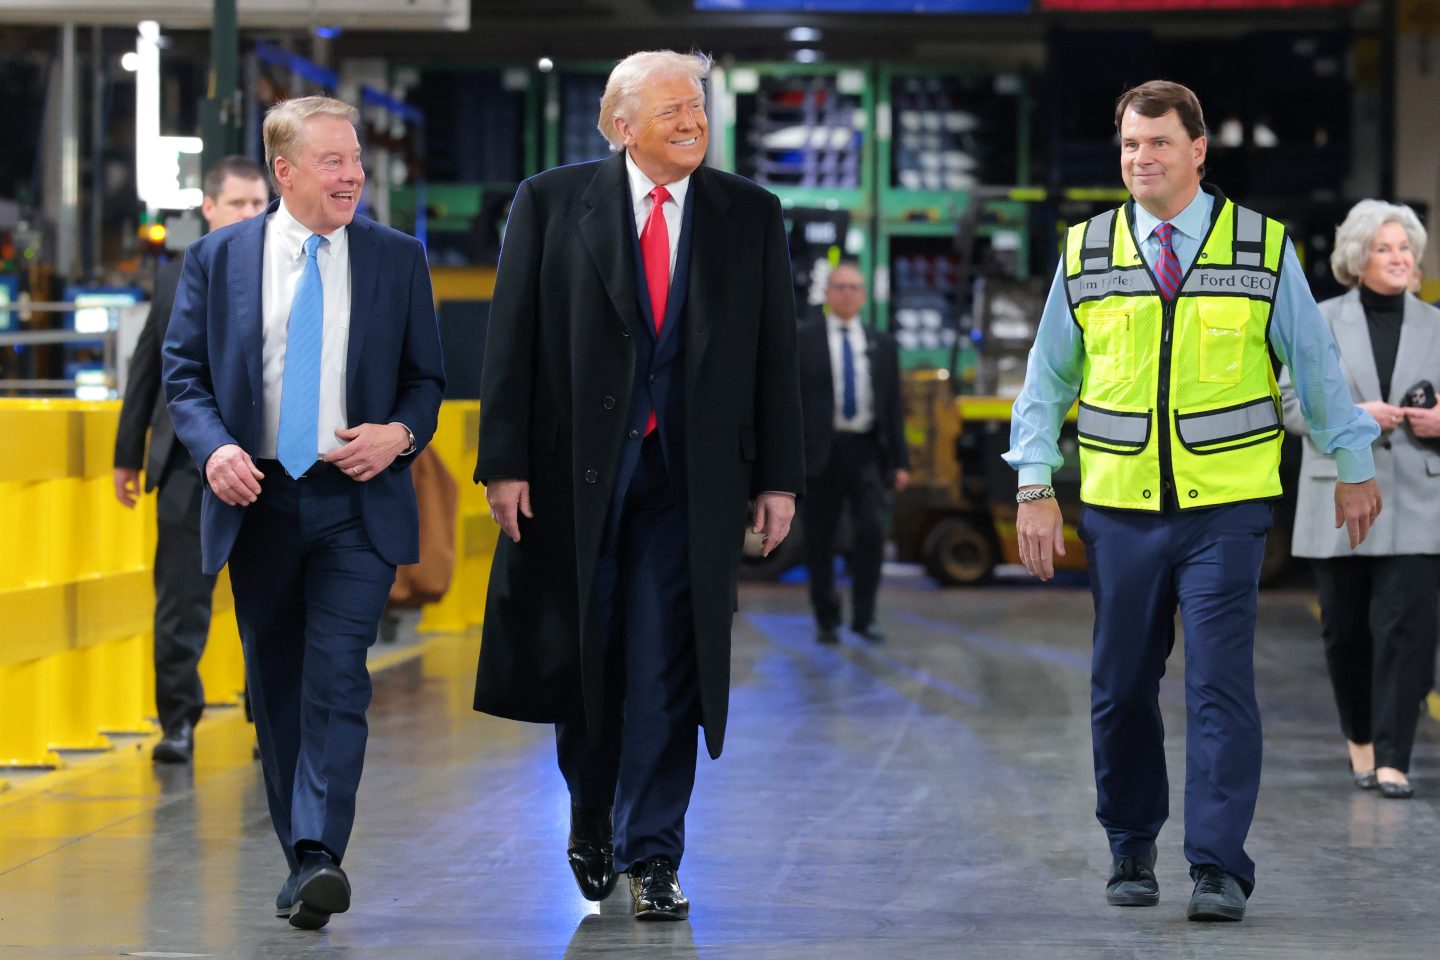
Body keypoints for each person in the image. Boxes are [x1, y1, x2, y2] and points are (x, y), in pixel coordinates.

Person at [1005, 80, 1382, 923]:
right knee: (1121, 686)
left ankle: (1219, 866)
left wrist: (1354, 460)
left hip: (1227, 510)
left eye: (1159, 144)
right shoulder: (1088, 251)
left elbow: (1314, 368)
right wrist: (1034, 485)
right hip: (1120, 509)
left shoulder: (1260, 245)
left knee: (1219, 687)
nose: (1141, 160)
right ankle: (1130, 845)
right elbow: (1045, 383)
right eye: (1130, 146)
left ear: (1198, 149)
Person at [472, 50, 804, 922]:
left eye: (697, 107)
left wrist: (779, 479)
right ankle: (592, 815)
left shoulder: (750, 213)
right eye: (670, 111)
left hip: (689, 485)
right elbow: (510, 342)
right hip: (573, 479)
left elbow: (777, 354)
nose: (692, 123)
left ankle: (654, 852)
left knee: (668, 666)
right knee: (587, 660)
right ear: (620, 125)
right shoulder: (550, 202)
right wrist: (501, 462)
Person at [163, 96, 444, 930]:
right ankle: (303, 859)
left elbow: (425, 381)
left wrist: (397, 433)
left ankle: (320, 850)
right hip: (259, 499)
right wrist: (214, 448)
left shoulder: (397, 258)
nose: (353, 174)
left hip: (355, 500)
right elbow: (185, 375)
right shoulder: (217, 259)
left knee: (335, 676)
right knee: (276, 684)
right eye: (333, 161)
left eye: (355, 159)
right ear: (284, 172)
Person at [1281, 200, 1440, 800]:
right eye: (1384, 248)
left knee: (1410, 630)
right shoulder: (1318, 320)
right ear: (1357, 257)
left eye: (1405, 248)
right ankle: (1361, 743)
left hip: (1421, 498)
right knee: (1346, 631)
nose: (1398, 258)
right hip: (1338, 498)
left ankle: (1396, 756)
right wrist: (1352, 416)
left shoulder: (1437, 325)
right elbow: (1292, 406)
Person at [114, 156, 268, 764]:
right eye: (238, 204)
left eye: (260, 204)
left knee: (268, 603)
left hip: (264, 468)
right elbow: (147, 368)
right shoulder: (176, 277)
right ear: (209, 208)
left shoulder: (289, 274)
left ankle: (268, 721)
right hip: (185, 468)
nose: (251, 215)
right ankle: (177, 722)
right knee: (180, 605)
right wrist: (129, 455)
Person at [797, 262, 909, 644]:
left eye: (854, 287)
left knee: (871, 533)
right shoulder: (803, 340)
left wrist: (900, 461)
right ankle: (826, 619)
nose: (847, 294)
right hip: (820, 452)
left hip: (866, 450)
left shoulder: (882, 345)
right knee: (820, 539)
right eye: (840, 287)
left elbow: (893, 407)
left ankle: (865, 617)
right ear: (828, 293)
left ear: (863, 295)